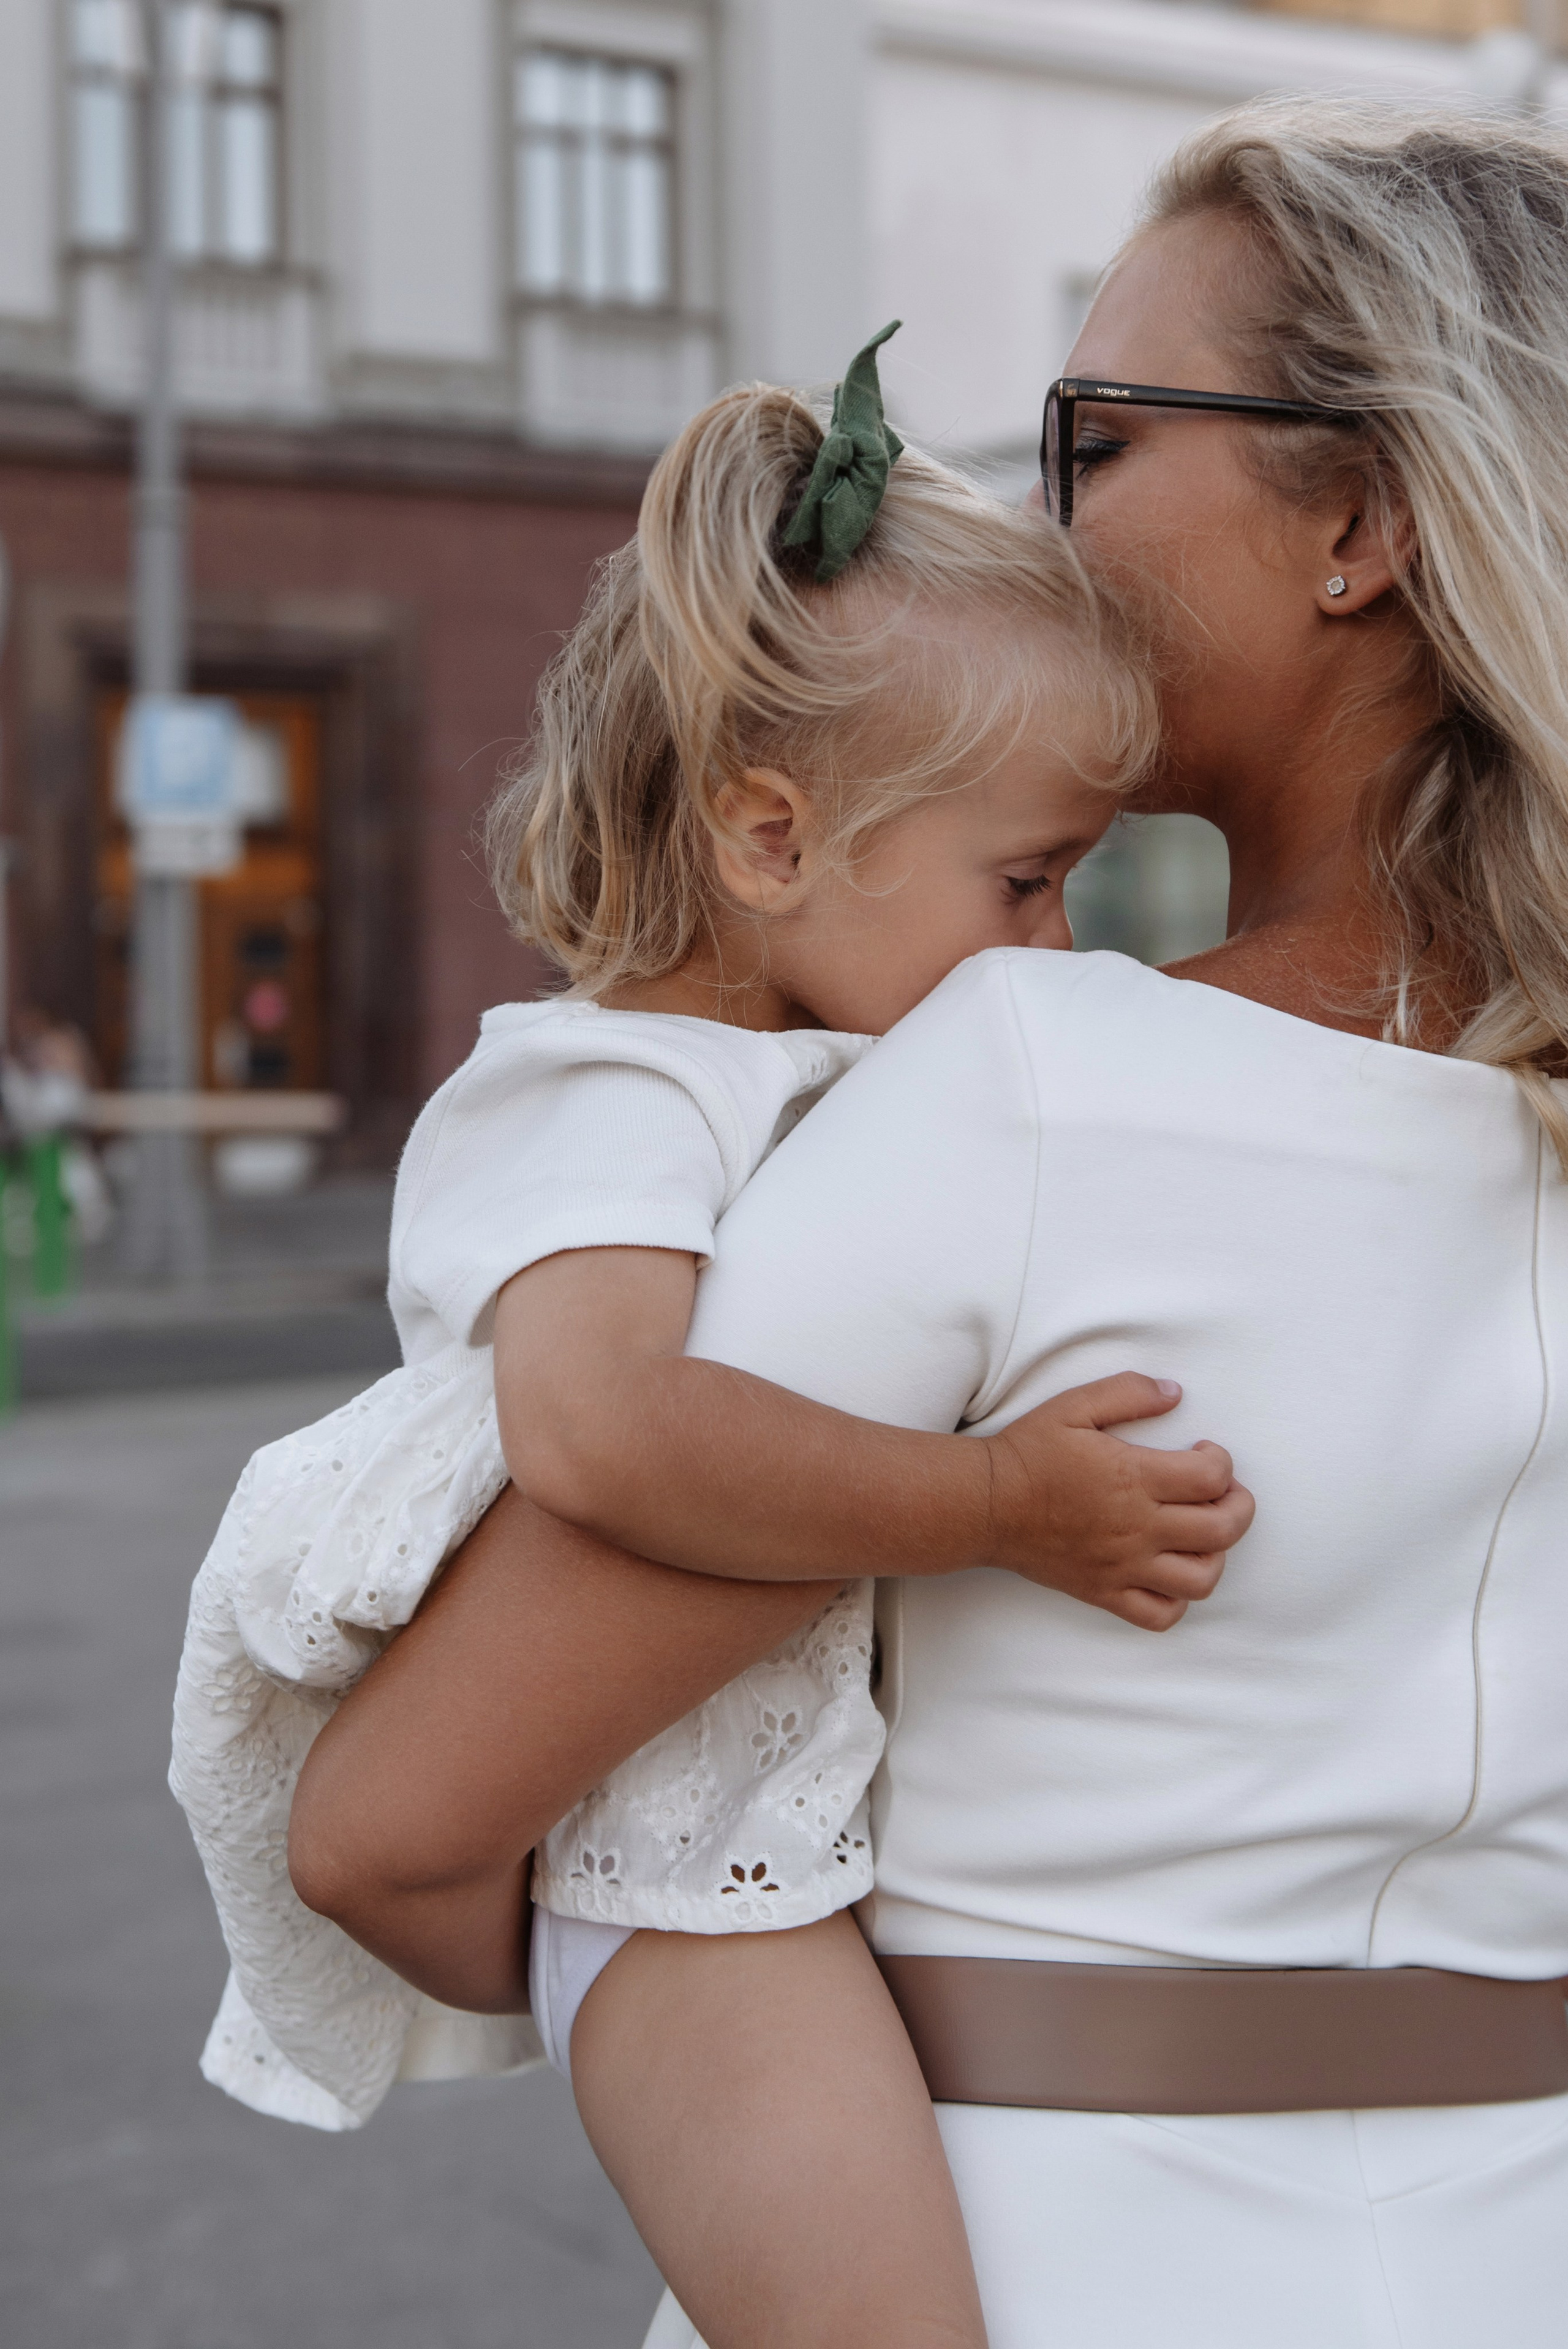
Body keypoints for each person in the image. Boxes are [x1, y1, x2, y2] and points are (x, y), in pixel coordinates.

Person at [292, 97, 1568, 2348]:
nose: (1042, 509)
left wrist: (710, 2006)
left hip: (1026, 2257)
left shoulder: (1024, 1081)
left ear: (1360, 524)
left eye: (1101, 436)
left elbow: (390, 1828)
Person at [175, 335, 1252, 2339]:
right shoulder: (609, 1089)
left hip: (785, 1841)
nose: (1057, 944)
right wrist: (1002, 1503)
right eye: (1027, 880)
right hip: (680, 1884)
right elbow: (608, 1432)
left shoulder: (813, 1054)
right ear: (771, 840)